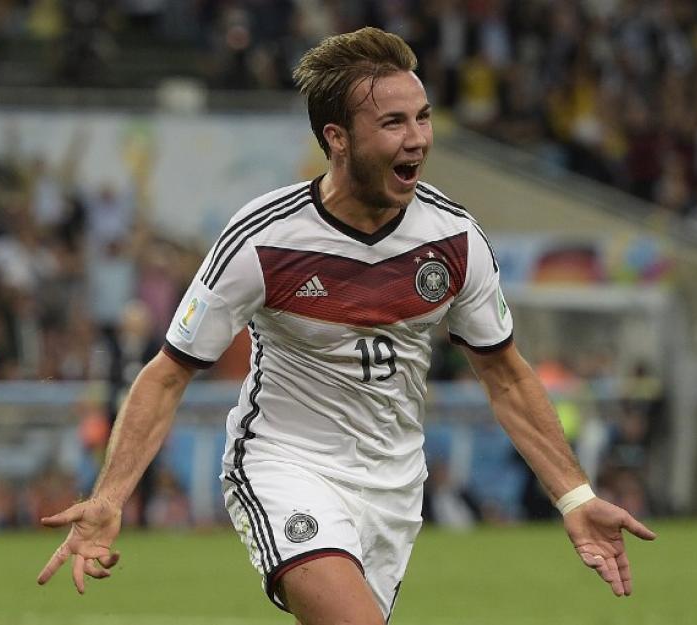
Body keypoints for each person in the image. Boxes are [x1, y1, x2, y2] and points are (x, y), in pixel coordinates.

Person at [37, 27, 656, 624]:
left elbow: (506, 377)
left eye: (422, 116)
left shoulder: (454, 241)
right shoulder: (264, 240)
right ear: (337, 138)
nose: (417, 139)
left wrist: (575, 495)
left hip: (393, 485)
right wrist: (110, 496)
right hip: (285, 464)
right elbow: (168, 374)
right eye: (393, 123)